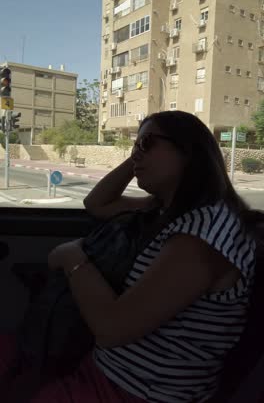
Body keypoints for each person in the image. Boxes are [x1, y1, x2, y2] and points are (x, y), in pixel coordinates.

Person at [0, 110, 263, 403]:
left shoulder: (204, 234)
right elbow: (97, 204)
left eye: (148, 143)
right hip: (110, 371)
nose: (135, 153)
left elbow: (112, 328)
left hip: (137, 391)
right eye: (135, 145)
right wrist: (140, 154)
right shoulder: (164, 209)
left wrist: (72, 256)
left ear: (189, 150)